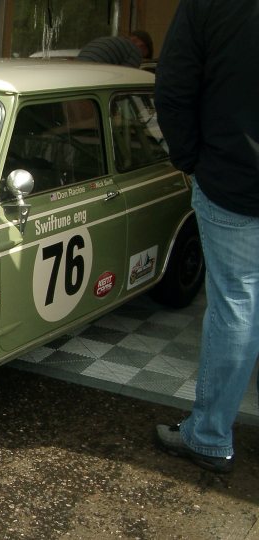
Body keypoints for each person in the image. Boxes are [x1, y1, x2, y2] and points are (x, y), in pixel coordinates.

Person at [154, 0, 259, 474]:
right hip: (230, 173)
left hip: (232, 176)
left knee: (236, 306)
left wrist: (192, 161)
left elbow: (174, 88)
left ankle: (211, 435)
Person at [76, 35, 141, 68]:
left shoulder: (112, 40)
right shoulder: (134, 51)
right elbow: (129, 76)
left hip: (78, 68)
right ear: (143, 46)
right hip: (95, 71)